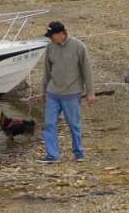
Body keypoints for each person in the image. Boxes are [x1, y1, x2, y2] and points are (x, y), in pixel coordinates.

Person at [36, 21, 95, 164]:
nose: (50, 38)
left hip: (71, 94)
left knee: (73, 124)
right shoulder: (50, 47)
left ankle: (78, 152)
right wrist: (43, 90)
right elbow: (47, 71)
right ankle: (52, 155)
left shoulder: (78, 46)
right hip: (52, 93)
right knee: (49, 123)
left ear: (62, 34)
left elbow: (87, 70)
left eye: (52, 36)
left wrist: (90, 92)